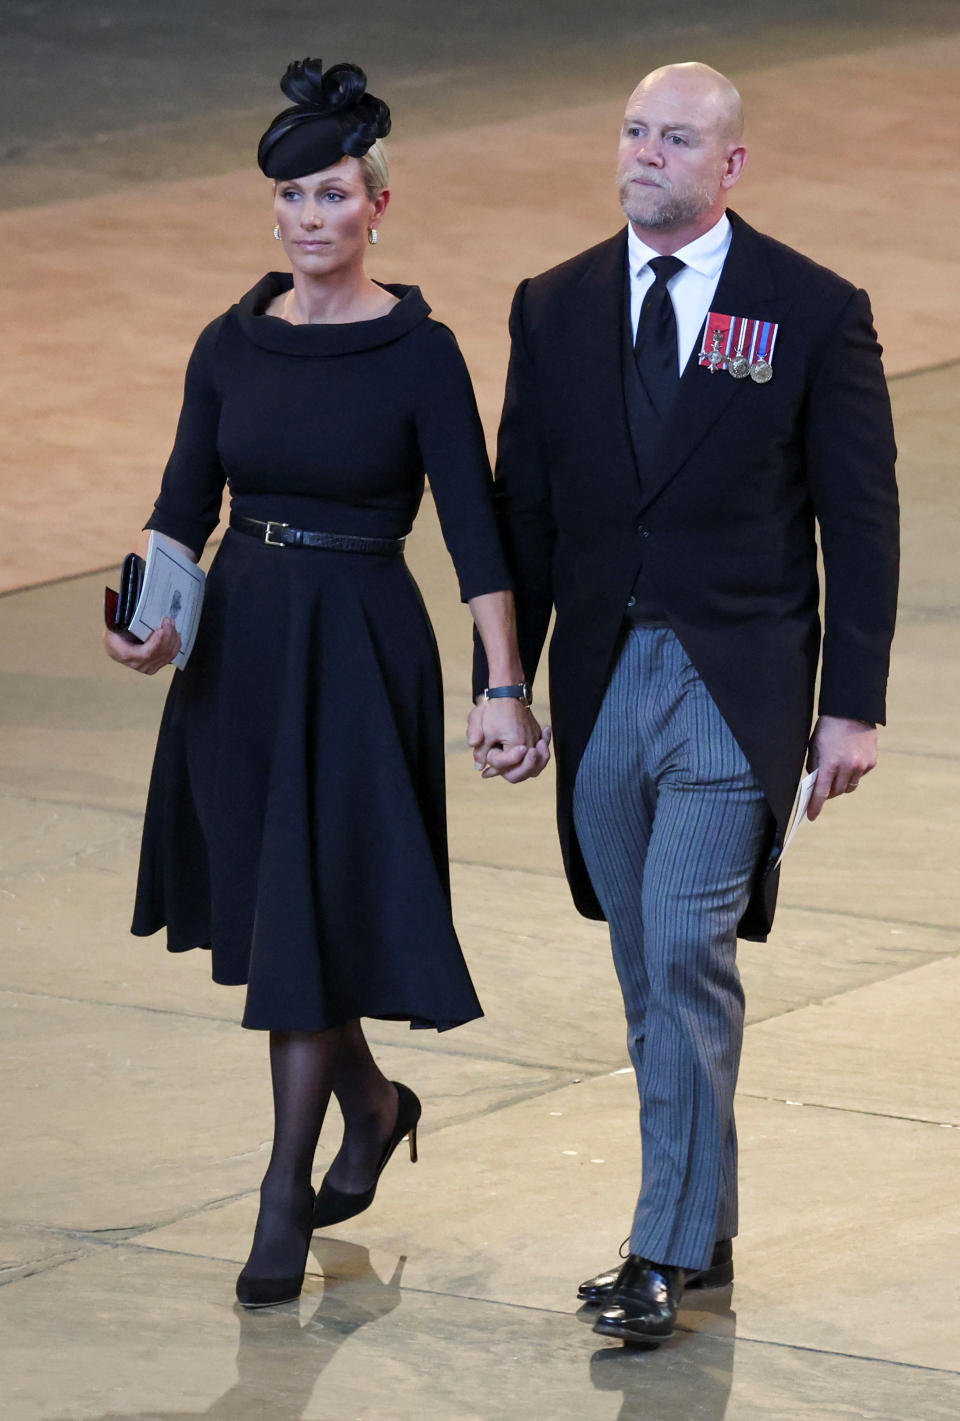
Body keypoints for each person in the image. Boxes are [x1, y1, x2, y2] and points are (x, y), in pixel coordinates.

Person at [104, 56, 549, 1310]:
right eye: (291, 197)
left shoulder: (420, 351)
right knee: (283, 913)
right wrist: (147, 618)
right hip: (239, 650)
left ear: (377, 207)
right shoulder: (229, 340)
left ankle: (281, 1194)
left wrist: (503, 687)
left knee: (309, 913)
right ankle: (374, 1101)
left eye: (334, 194)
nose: (310, 218)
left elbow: (475, 533)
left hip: (360, 643)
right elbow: (181, 512)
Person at [471, 61, 898, 1345]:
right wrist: (508, 683)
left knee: (680, 948)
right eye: (635, 131)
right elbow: (527, 515)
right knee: (644, 969)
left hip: (737, 680)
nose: (648, 153)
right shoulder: (554, 307)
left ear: (732, 165)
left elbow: (859, 521)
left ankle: (658, 1251)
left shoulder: (812, 311)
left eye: (678, 138)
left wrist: (852, 703)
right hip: (605, 683)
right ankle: (700, 1217)